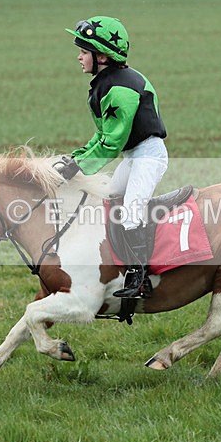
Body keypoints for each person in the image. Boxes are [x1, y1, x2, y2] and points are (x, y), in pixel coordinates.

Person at [55, 16, 168, 300]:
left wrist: (79, 167)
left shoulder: (120, 88)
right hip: (134, 157)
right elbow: (102, 134)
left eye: (83, 52)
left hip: (148, 157)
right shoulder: (106, 82)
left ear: (102, 56)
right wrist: (75, 158)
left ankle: (141, 280)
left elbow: (112, 141)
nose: (78, 57)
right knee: (109, 199)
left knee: (131, 212)